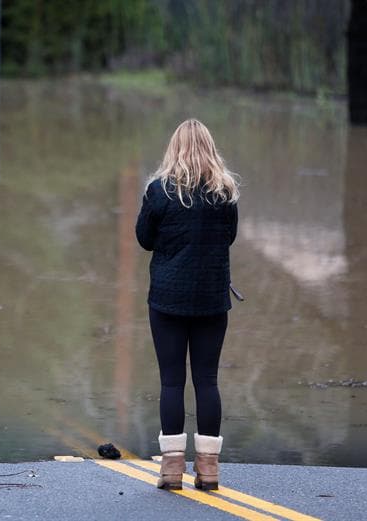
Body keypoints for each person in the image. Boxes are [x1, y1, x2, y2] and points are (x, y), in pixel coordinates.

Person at [135, 118, 239, 491]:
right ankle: (209, 470)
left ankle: (172, 470)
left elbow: (144, 239)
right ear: (210, 149)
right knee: (207, 380)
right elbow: (228, 238)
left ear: (173, 148)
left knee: (172, 382)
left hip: (167, 300)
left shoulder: (159, 191)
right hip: (212, 299)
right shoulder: (224, 192)